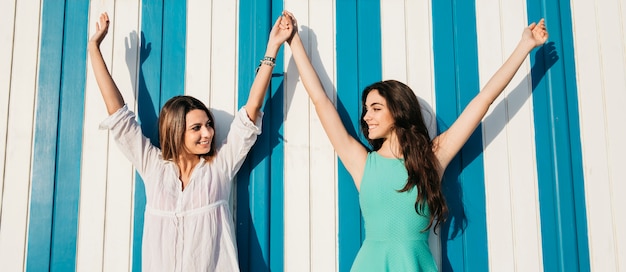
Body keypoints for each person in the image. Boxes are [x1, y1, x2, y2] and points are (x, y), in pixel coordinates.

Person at [283, 11, 548, 271]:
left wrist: (525, 46)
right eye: (366, 109)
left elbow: (483, 101)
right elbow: (320, 101)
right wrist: (293, 40)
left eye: (376, 108)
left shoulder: (431, 159)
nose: (366, 117)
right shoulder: (363, 163)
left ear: (398, 110)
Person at [88, 12, 294, 271]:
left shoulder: (219, 167)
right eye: (196, 128)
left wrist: (272, 48)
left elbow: (251, 111)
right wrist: (94, 48)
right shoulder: (153, 167)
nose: (208, 133)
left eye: (208, 124)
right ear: (176, 131)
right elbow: (118, 116)